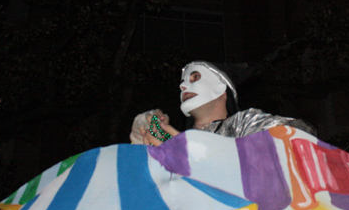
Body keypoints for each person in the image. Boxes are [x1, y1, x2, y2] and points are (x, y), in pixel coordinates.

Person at [131, 61, 315, 146]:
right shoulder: (175, 141)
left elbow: (301, 134)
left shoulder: (242, 126)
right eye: (183, 82)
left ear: (220, 87)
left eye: (195, 77)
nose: (183, 85)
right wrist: (143, 138)